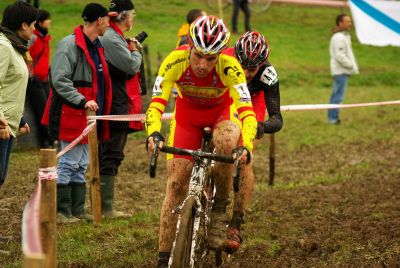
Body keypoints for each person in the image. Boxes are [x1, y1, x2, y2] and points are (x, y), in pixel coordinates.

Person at [145, 15, 257, 267]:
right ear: (189, 47)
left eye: (210, 58)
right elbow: (155, 105)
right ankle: (164, 258)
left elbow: (247, 113)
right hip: (187, 117)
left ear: (219, 56)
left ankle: (219, 209)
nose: (203, 64)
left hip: (221, 114)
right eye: (198, 55)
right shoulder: (174, 61)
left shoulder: (230, 67)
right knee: (174, 186)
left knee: (229, 141)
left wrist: (245, 145)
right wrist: (153, 132)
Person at [42, 3, 115, 223]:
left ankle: (77, 209)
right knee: (68, 162)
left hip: (87, 116)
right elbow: (59, 80)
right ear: (99, 20)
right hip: (70, 112)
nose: (109, 25)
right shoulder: (69, 45)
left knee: (82, 163)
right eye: (107, 20)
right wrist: (82, 100)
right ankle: (62, 211)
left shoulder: (96, 45)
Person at [223, 31, 283, 236]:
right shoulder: (225, 58)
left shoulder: (268, 74)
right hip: (226, 93)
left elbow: (278, 119)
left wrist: (262, 126)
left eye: (252, 69)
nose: (247, 73)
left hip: (253, 101)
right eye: (243, 67)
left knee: (245, 157)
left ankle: (236, 222)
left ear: (262, 64)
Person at [98, 0, 143, 218]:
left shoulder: (114, 36)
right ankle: (106, 208)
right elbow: (131, 66)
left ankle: (104, 205)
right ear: (124, 16)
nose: (133, 18)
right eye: (132, 14)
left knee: (111, 152)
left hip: (116, 100)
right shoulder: (112, 38)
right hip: (114, 102)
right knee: (111, 152)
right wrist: (134, 51)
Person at [0, 1, 37, 187]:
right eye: (33, 24)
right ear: (23, 25)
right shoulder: (3, 46)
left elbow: (10, 87)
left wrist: (20, 119)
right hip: (2, 125)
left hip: (9, 123)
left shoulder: (15, 46)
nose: (34, 29)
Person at [27, 9, 53, 148]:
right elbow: (26, 55)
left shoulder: (45, 38)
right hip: (34, 79)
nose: (50, 22)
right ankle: (46, 140)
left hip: (45, 79)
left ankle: (50, 138)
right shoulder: (33, 38)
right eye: (48, 19)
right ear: (41, 22)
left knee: (49, 108)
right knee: (42, 110)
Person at [328, 14, 358, 124]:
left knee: (337, 95)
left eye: (350, 21)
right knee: (338, 95)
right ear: (340, 23)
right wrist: (350, 65)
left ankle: (333, 117)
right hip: (340, 71)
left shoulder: (344, 36)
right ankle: (333, 119)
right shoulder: (339, 37)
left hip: (342, 70)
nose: (350, 23)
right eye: (347, 21)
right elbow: (340, 55)